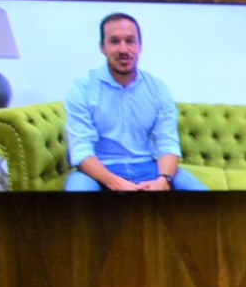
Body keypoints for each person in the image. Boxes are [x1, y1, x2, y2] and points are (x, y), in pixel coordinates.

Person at [62, 11, 206, 193]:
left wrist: (164, 180)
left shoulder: (157, 88)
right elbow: (81, 150)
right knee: (75, 197)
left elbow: (167, 143)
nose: (123, 49)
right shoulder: (82, 88)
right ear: (102, 47)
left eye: (130, 41)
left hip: (148, 166)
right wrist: (113, 181)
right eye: (114, 41)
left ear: (140, 46)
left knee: (203, 196)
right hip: (99, 170)